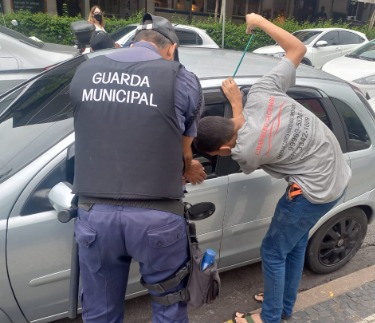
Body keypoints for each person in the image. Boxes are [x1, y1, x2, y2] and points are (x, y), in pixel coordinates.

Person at [194, 13, 351, 323]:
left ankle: (269, 318)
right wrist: (260, 22)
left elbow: (244, 144)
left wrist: (234, 110)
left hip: (313, 191)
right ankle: (283, 305)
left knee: (273, 252)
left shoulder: (245, 152)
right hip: (336, 171)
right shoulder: (262, 91)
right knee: (293, 246)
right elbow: (297, 50)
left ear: (224, 150)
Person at [69, 12, 206, 323]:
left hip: (95, 217)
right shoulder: (181, 78)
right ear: (170, 48)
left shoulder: (86, 70)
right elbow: (185, 151)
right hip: (157, 216)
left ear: (133, 41)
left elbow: (92, 123)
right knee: (169, 308)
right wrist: (190, 167)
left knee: (100, 312)